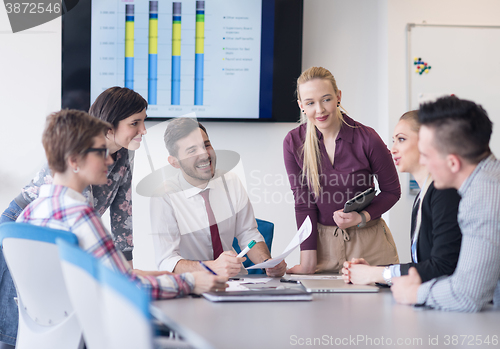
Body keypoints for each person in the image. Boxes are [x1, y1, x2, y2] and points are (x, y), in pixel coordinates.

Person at [17, 110, 227, 297]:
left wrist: (154, 274)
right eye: (101, 152)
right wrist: (190, 282)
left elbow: (113, 274)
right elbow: (123, 286)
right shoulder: (80, 217)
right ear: (74, 160)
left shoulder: (28, 215)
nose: (109, 161)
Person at [0, 86, 146, 347]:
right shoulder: (84, 152)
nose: (143, 130)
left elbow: (123, 210)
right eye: (135, 123)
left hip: (53, 225)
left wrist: (128, 265)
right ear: (110, 125)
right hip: (22, 222)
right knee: (22, 319)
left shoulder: (123, 155)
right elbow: (80, 213)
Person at [283, 66, 401, 274]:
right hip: (322, 248)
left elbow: (392, 191)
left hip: (370, 245)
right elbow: (303, 203)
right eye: (310, 103)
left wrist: (362, 216)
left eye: (326, 99)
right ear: (301, 106)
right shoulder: (293, 142)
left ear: (338, 97)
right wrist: (308, 261)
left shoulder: (368, 138)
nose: (319, 110)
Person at [391, 96, 500, 312]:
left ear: (452, 162)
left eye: (426, 155)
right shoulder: (486, 180)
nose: (422, 162)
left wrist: (413, 292)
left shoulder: (484, 197)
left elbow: (467, 295)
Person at [150, 118, 287, 277]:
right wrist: (212, 267)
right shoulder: (164, 195)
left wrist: (268, 263)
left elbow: (248, 234)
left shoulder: (231, 181)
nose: (204, 154)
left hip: (236, 282)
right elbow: (167, 261)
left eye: (206, 145)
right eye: (192, 150)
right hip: (193, 285)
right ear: (174, 162)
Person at [341, 111, 462, 285]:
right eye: (393, 140)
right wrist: (373, 271)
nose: (393, 149)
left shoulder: (445, 193)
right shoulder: (423, 196)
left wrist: (377, 274)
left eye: (402, 139)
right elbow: (422, 266)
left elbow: (442, 267)